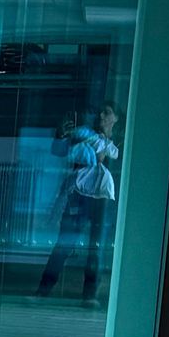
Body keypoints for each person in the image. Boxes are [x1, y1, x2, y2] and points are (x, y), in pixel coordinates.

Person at [37, 102, 120, 303]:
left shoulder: (116, 143)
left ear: (116, 119)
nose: (101, 116)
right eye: (100, 112)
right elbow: (60, 150)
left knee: (97, 247)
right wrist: (61, 134)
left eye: (107, 112)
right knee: (64, 244)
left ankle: (89, 294)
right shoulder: (86, 134)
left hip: (103, 199)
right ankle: (43, 291)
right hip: (80, 195)